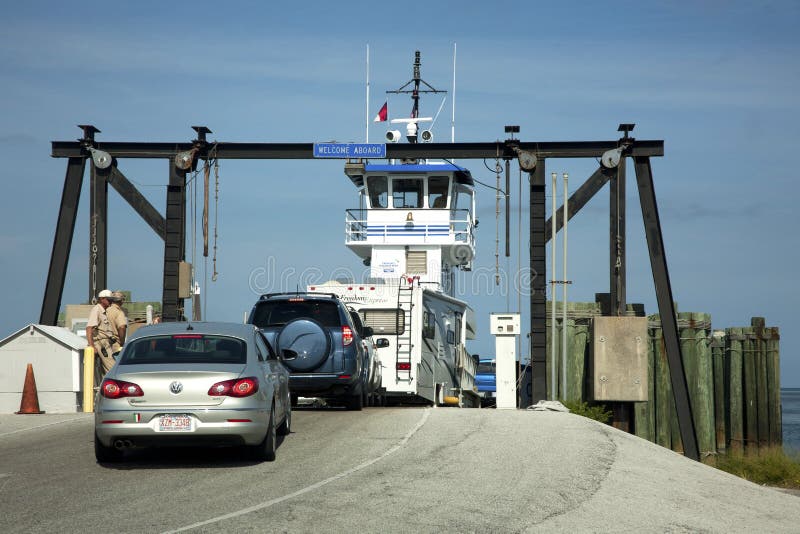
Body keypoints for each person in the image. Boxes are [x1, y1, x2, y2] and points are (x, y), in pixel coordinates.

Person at [86, 289, 122, 376]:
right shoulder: (97, 310)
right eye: (109, 300)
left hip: (106, 343)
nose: (111, 302)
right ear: (102, 299)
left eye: (111, 300)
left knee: (107, 371)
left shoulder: (104, 311)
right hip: (101, 343)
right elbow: (89, 328)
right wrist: (92, 346)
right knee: (113, 369)